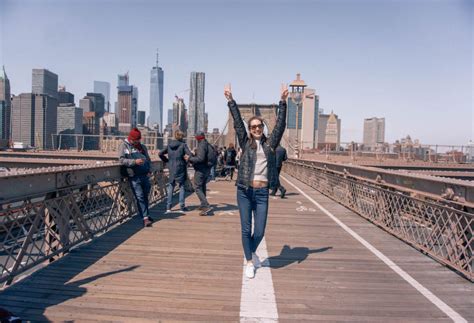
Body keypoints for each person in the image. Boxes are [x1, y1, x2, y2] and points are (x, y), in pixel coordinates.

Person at [224, 84, 288, 279]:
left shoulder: (270, 144)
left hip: (261, 193)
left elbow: (280, 126)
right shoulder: (245, 142)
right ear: (249, 131)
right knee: (246, 228)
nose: (257, 129)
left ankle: (250, 252)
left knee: (259, 230)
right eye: (253, 127)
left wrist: (283, 102)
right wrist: (231, 101)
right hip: (244, 190)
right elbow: (237, 123)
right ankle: (250, 261)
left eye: (259, 126)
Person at [119, 128, 153, 227]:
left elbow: (148, 159)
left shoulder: (142, 147)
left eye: (139, 140)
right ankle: (145, 218)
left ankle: (145, 214)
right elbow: (121, 160)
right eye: (136, 140)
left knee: (145, 196)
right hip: (134, 176)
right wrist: (134, 162)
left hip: (145, 175)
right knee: (140, 197)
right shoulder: (123, 145)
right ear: (131, 139)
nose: (138, 141)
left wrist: (149, 170)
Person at [159, 130, 192, 213]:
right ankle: (182, 206)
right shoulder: (183, 145)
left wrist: (167, 161)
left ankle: (168, 207)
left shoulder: (169, 145)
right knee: (182, 186)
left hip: (171, 167)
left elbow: (160, 153)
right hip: (180, 167)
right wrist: (186, 161)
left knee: (171, 186)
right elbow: (190, 155)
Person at [187, 131, 212, 216]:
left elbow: (200, 158)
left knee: (197, 187)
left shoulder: (201, 145)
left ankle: (206, 205)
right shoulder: (206, 143)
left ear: (198, 138)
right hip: (206, 169)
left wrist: (190, 158)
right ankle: (203, 204)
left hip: (201, 169)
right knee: (202, 186)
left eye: (195, 137)